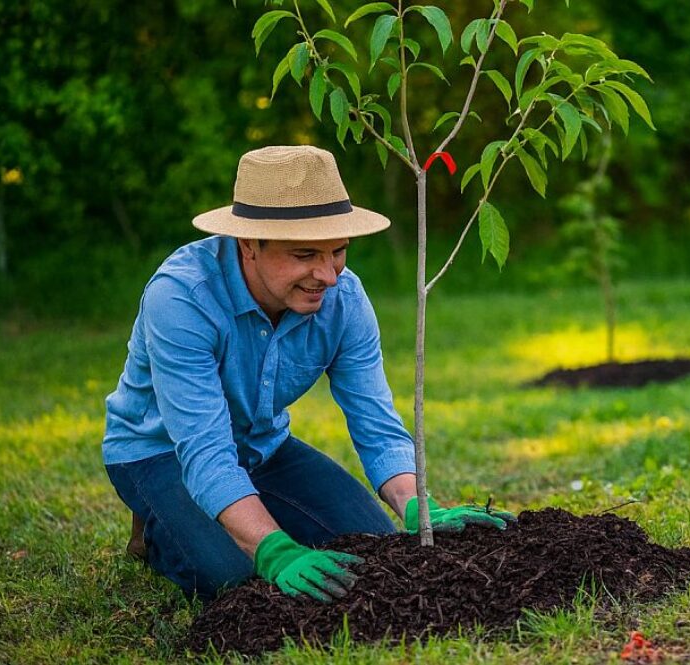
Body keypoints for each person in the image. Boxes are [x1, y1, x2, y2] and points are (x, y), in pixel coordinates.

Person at [103, 145, 514, 602]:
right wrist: (275, 550)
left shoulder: (345, 300)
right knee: (234, 574)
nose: (329, 275)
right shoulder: (182, 298)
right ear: (248, 245)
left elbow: (374, 420)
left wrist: (416, 504)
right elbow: (204, 448)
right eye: (304, 255)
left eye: (338, 251)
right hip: (161, 451)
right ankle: (156, 524)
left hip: (263, 446)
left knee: (373, 547)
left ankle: (236, 509)